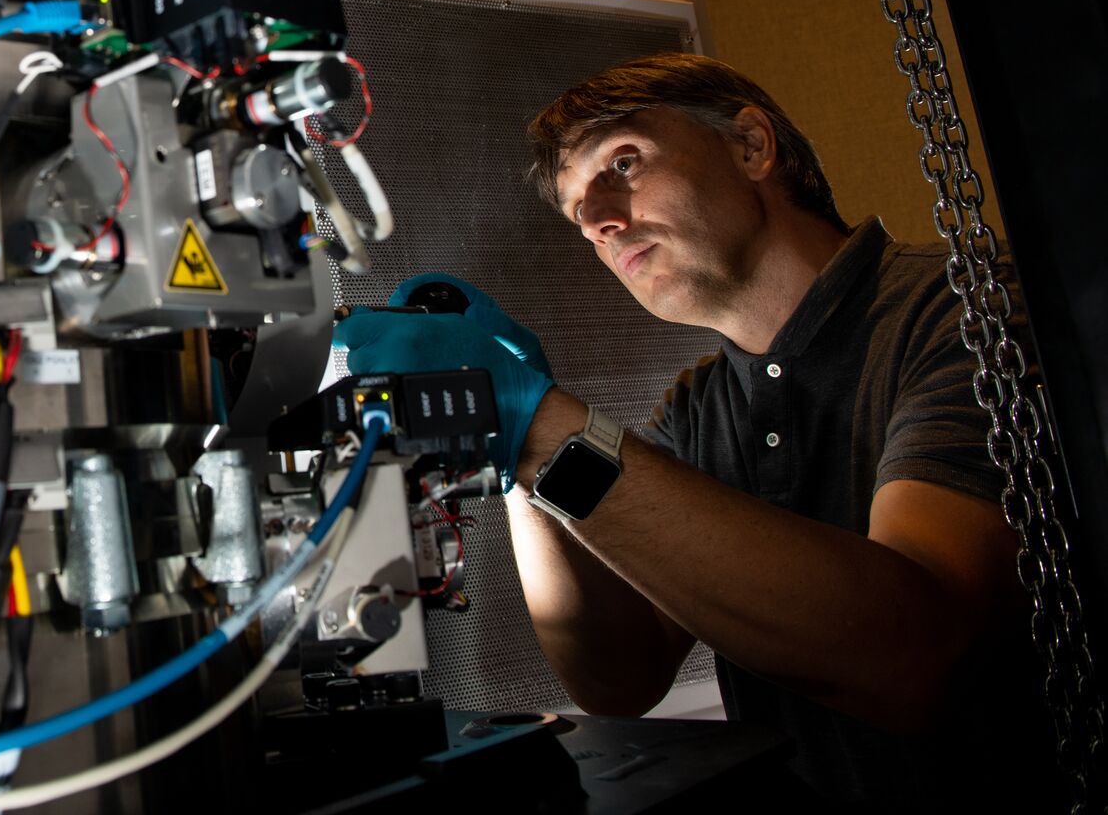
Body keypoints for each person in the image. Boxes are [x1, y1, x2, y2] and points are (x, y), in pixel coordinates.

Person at [335, 52, 1058, 810]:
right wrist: (515, 456)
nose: (596, 220)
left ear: (751, 146)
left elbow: (913, 657)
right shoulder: (695, 406)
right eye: (577, 208)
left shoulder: (971, 310)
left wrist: (541, 423)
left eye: (623, 162)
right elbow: (620, 676)